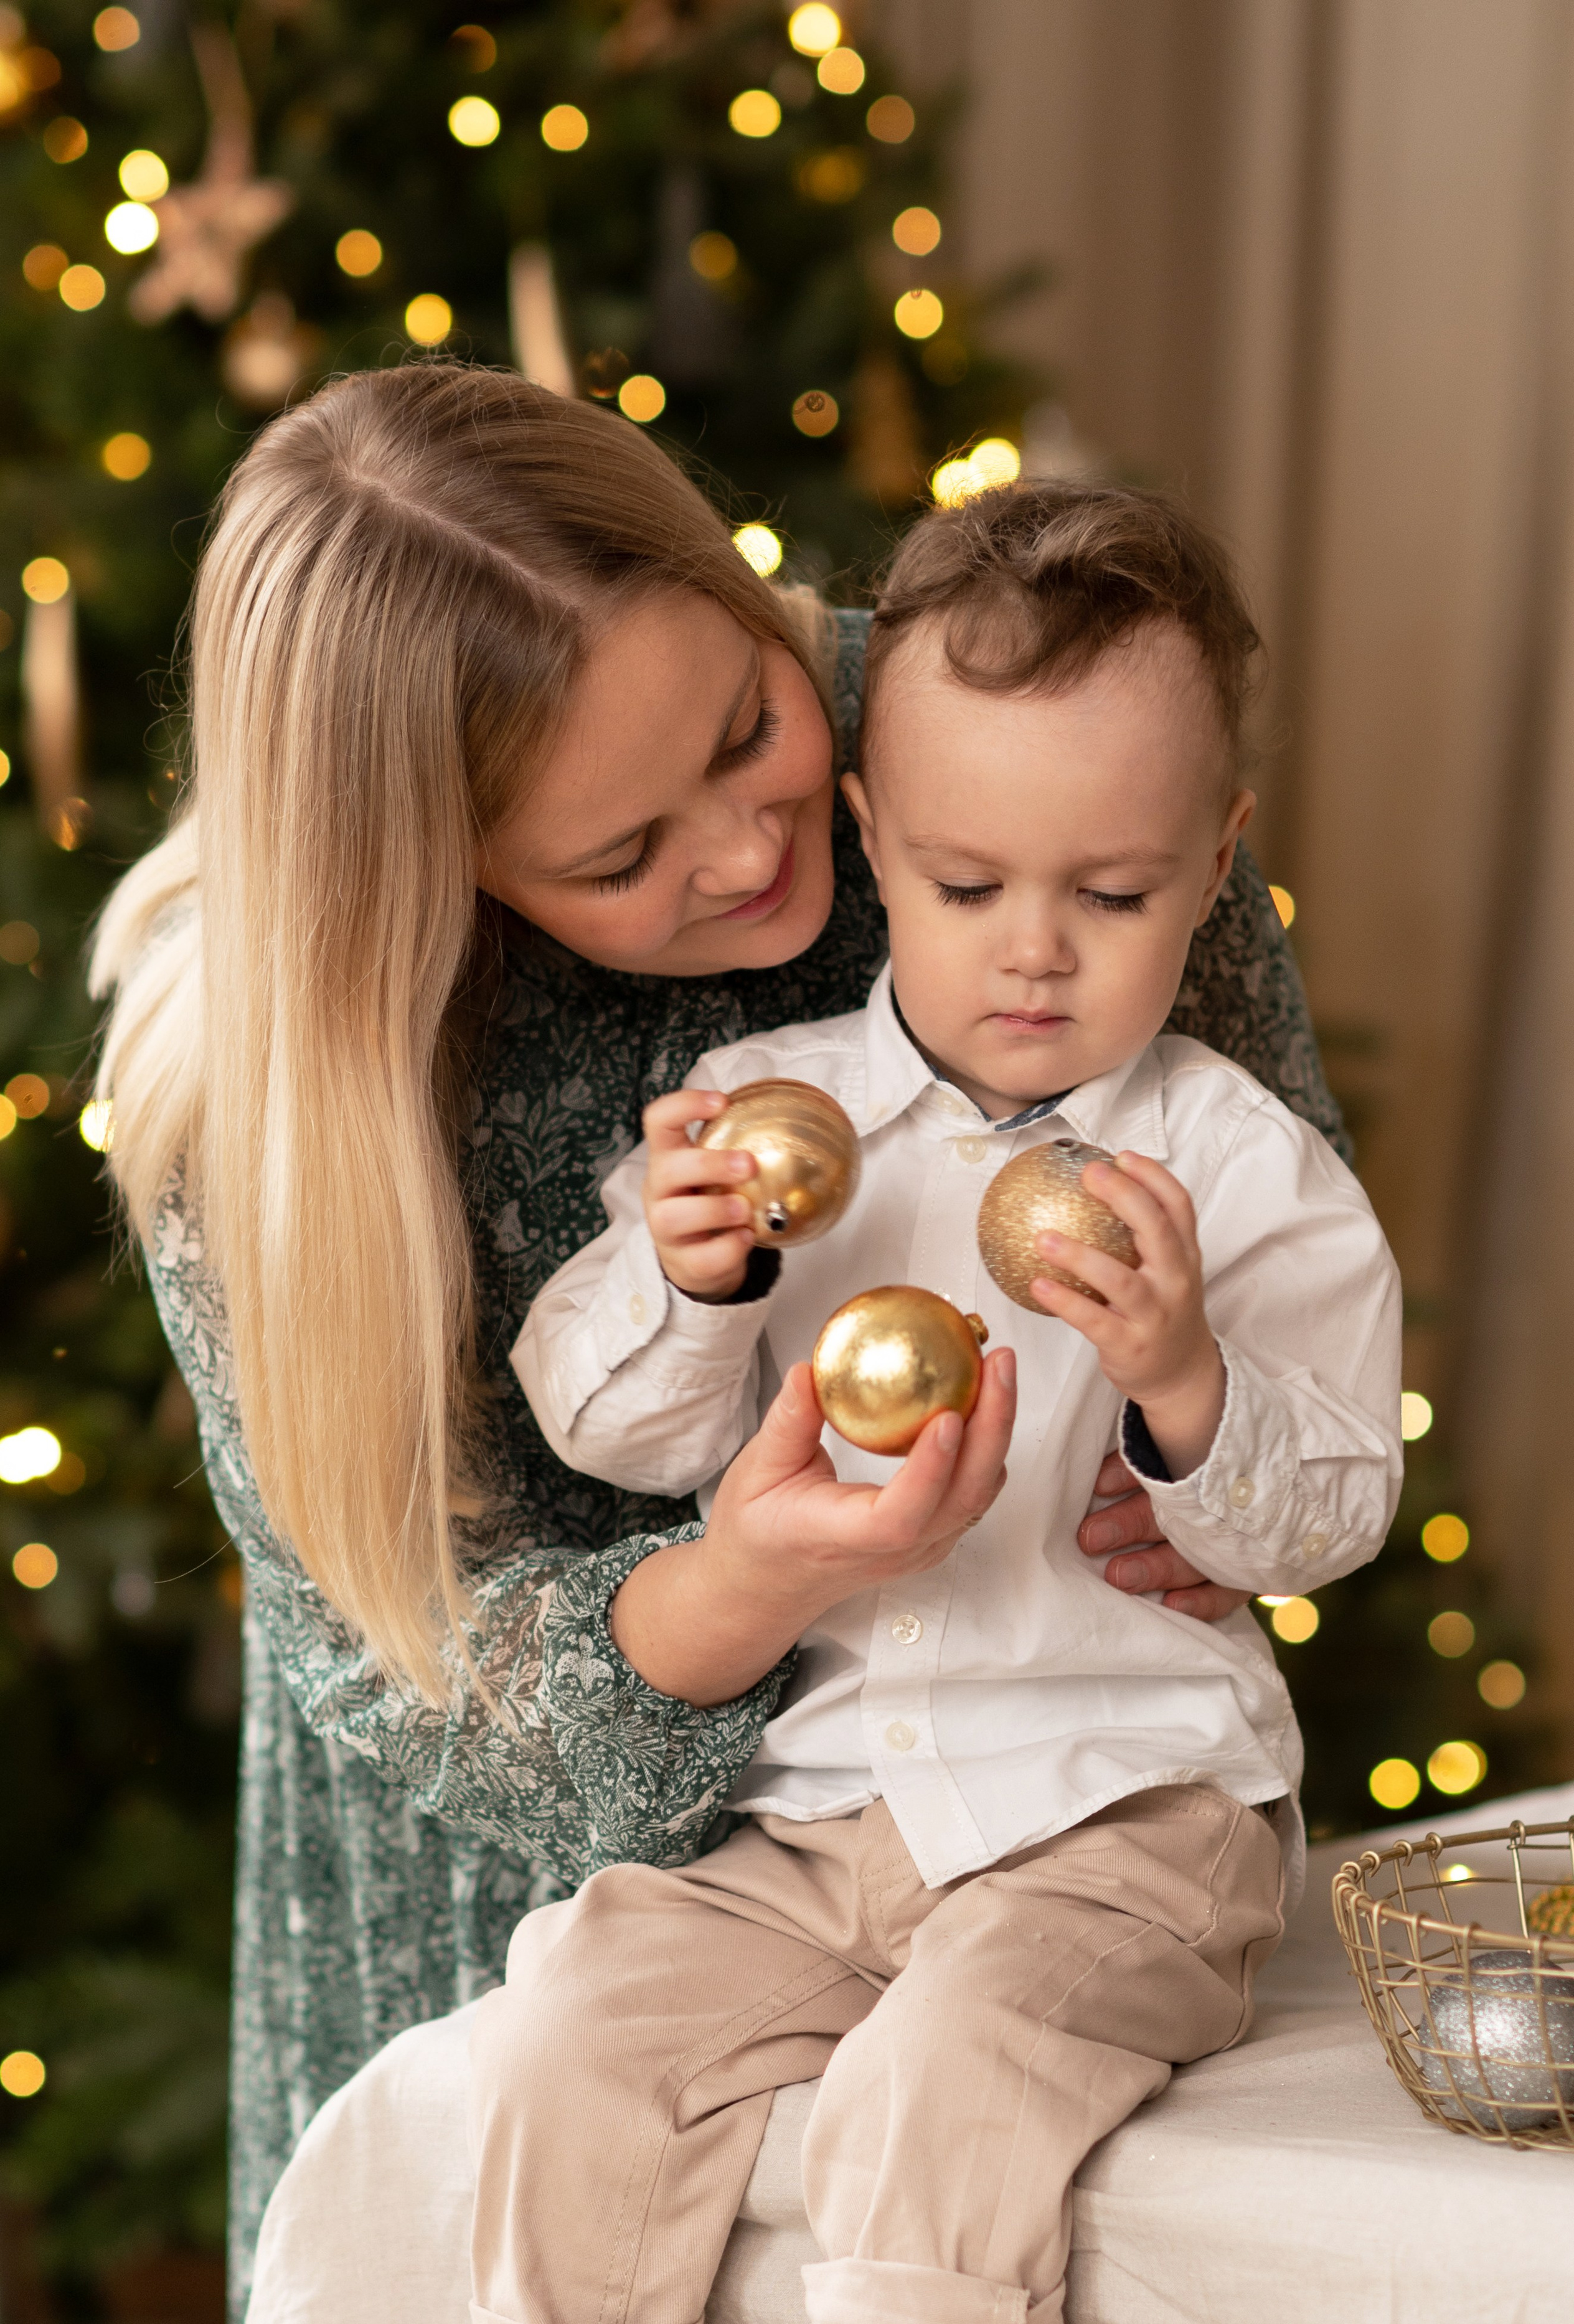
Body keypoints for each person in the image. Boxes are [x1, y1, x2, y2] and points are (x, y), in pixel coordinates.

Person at [87, 365, 1345, 2313]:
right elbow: (419, 1650)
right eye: (616, 858)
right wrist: (732, 1587)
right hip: (516, 1873)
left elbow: (1266, 1218)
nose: (752, 854)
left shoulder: (1009, 736)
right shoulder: (262, 1087)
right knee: (532, 2126)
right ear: (452, 888)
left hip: (1056, 1774)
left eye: (751, 725)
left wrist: (1205, 1423)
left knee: (956, 2115)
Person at [474, 481, 1403, 2324]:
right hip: (813, 1822)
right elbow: (614, 1436)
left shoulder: (1237, 1166)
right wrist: (688, 1279)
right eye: (971, 886)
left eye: (1113, 892)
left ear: (1216, 866)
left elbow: (1333, 1518)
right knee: (574, 2028)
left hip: (1129, 1816)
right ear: (876, 842)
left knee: (931, 2086)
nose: (1036, 950)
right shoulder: (762, 1118)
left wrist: (1186, 1385)